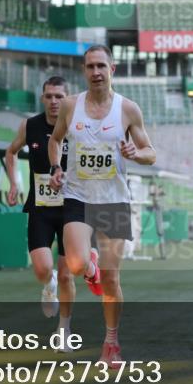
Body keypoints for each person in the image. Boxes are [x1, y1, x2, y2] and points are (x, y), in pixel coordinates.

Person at [48, 45, 156, 367]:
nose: (95, 72)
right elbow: (55, 141)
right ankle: (89, 267)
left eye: (101, 66)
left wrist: (137, 154)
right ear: (84, 71)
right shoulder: (70, 106)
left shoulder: (128, 110)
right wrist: (56, 168)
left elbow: (150, 151)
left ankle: (111, 343)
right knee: (77, 265)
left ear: (113, 69)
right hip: (78, 196)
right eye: (90, 66)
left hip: (114, 200)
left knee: (111, 279)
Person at [5, 76, 76, 344]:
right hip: (41, 208)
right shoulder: (30, 125)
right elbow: (11, 152)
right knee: (43, 269)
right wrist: (14, 183)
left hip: (71, 209)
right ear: (42, 97)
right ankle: (49, 285)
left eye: (59, 96)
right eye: (49, 96)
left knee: (68, 273)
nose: (54, 101)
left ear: (67, 98)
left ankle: (64, 331)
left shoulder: (76, 126)